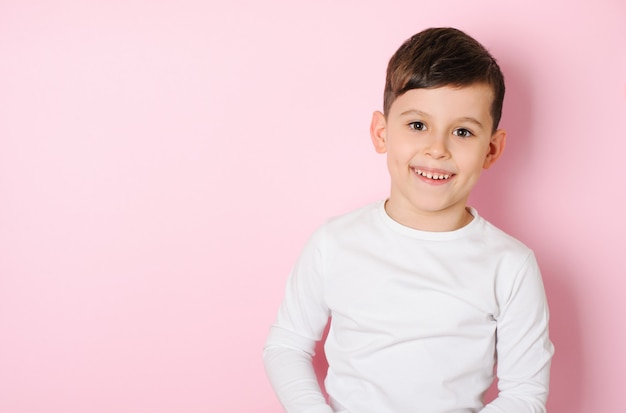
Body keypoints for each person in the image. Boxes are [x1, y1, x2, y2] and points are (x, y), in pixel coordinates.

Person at [263, 27, 554, 413]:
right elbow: (286, 345)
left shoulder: (510, 266)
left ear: (492, 149)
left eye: (463, 131)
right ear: (381, 132)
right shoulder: (333, 243)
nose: (437, 149)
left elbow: (525, 393)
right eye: (418, 125)